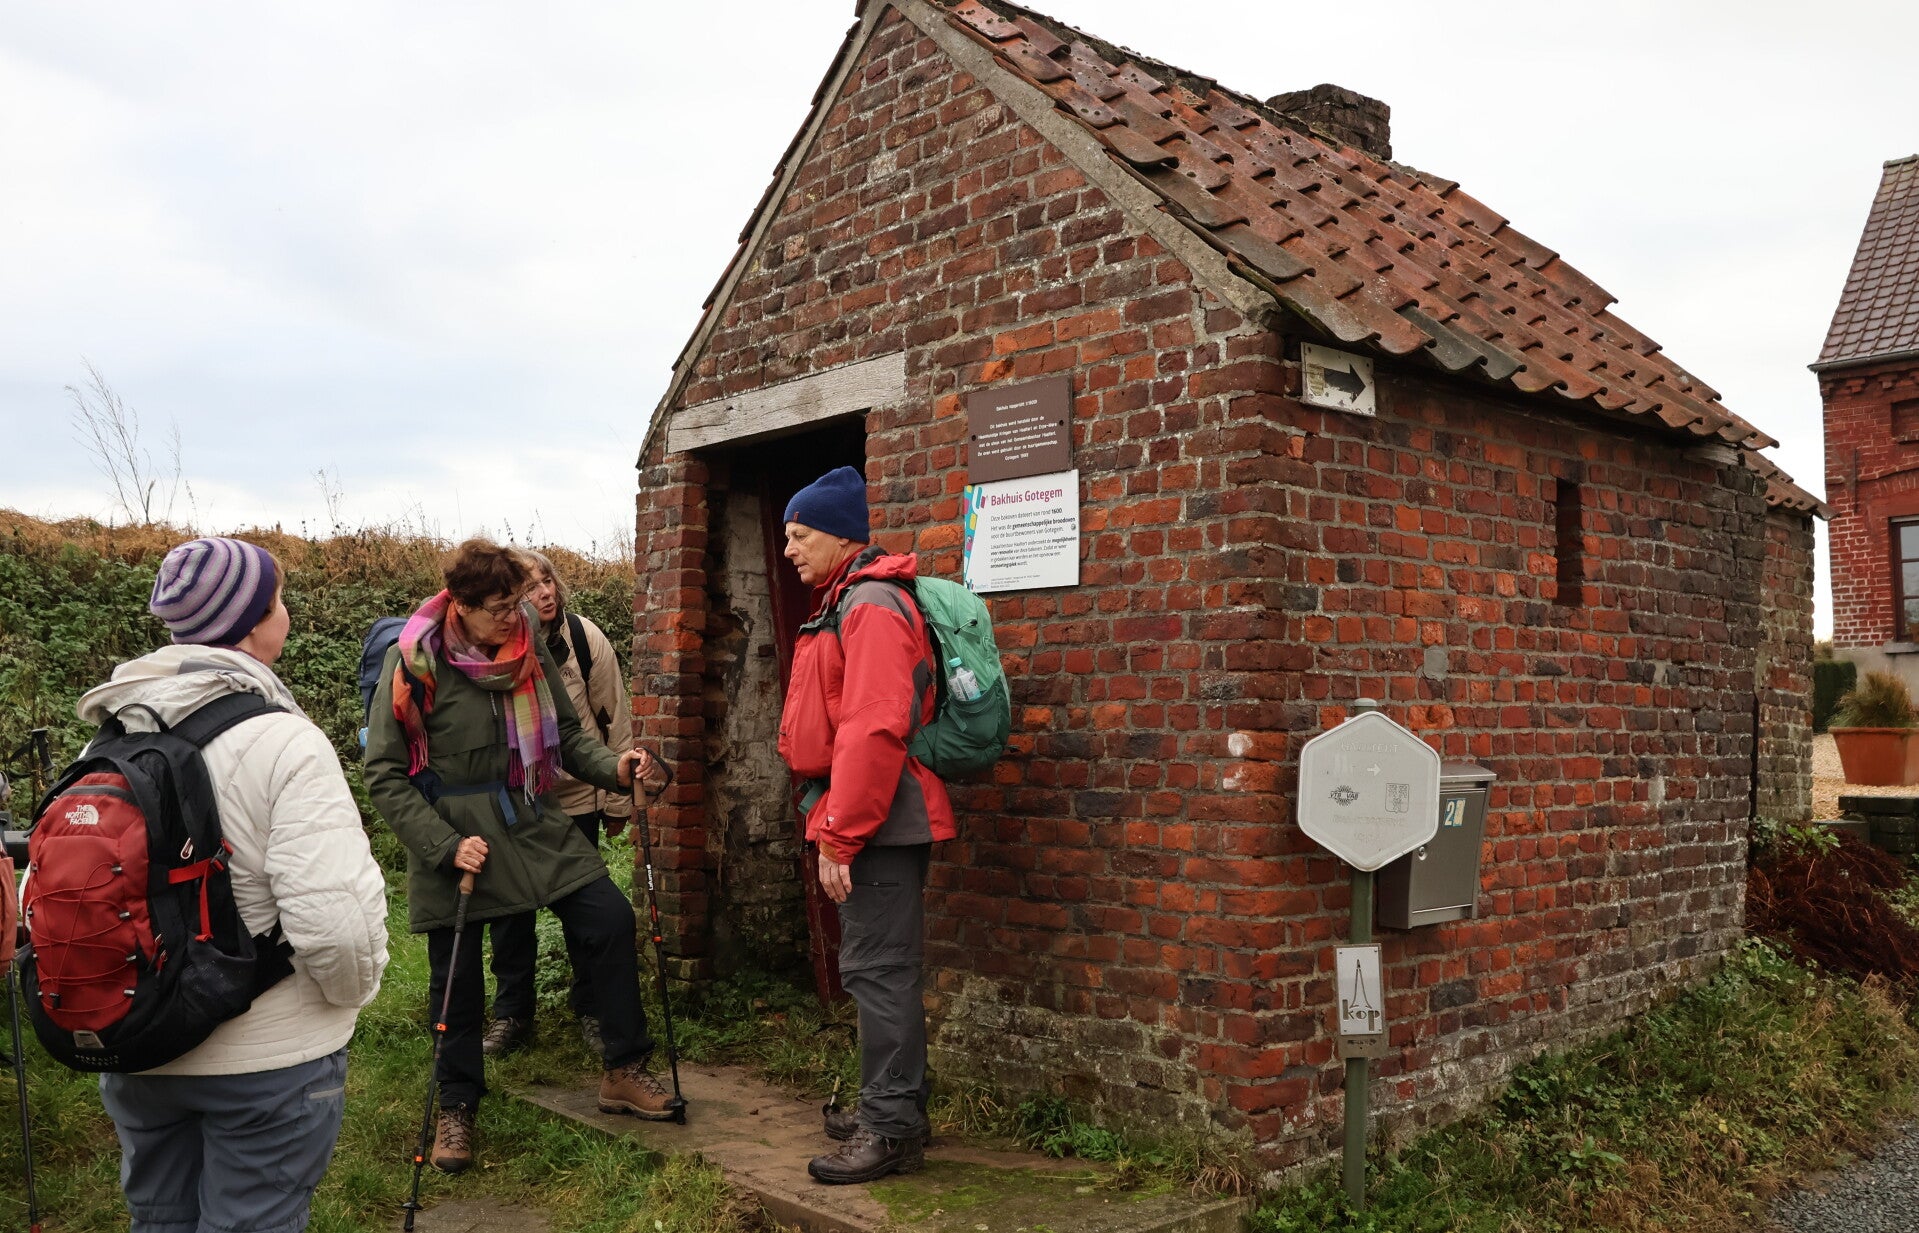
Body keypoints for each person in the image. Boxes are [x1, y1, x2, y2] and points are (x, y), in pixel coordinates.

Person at [78, 536, 390, 1233]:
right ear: (251, 621)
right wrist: (346, 1000)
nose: (286, 613)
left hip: (139, 1042)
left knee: (160, 1221)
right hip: (267, 1061)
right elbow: (335, 922)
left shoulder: (110, 736)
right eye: (278, 600)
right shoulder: (285, 740)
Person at [363, 538, 671, 1175]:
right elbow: (385, 774)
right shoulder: (414, 661)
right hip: (456, 835)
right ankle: (457, 1105)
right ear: (462, 604)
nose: (515, 616)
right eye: (500, 608)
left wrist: (617, 767)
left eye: (518, 603)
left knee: (609, 919)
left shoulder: (528, 648)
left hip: (530, 817)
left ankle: (623, 1067)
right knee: (457, 980)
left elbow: (570, 738)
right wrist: (443, 845)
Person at [777, 466, 956, 1185]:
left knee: (879, 972)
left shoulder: (871, 604)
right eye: (787, 535)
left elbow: (873, 727)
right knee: (879, 969)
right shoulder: (850, 598)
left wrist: (840, 834)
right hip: (867, 811)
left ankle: (890, 1131)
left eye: (800, 534)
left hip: (876, 818)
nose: (789, 548)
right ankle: (893, 1107)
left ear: (840, 535)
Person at [480, 550, 634, 1058]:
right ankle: (512, 1014)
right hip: (516, 800)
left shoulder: (585, 639)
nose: (544, 593)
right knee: (511, 913)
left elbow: (614, 719)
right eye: (530, 587)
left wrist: (618, 802)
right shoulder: (491, 646)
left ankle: (590, 1007)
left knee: (584, 912)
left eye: (547, 581)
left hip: (575, 796)